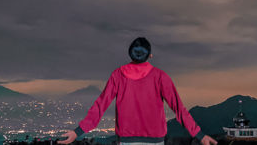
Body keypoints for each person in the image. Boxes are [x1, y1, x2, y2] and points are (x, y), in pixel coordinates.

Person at [57, 37, 218, 145]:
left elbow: (100, 106)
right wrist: (200, 135)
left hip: (126, 140)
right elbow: (179, 109)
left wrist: (78, 132)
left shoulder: (118, 75)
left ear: (131, 55)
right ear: (150, 56)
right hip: (155, 141)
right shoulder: (160, 77)